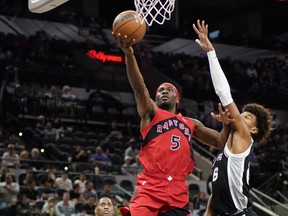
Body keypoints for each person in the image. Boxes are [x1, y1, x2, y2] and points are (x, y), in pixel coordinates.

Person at [113, 31, 233, 215]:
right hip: (150, 185)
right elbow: (139, 88)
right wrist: (129, 53)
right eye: (160, 91)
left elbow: (220, 142)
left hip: (177, 189)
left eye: (168, 89)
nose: (163, 92)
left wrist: (226, 124)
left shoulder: (191, 123)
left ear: (177, 99)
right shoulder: (151, 113)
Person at [193, 19, 273, 216]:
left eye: (246, 117)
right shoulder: (225, 149)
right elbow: (216, 193)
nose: (239, 118)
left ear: (253, 129)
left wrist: (211, 52)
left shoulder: (246, 137)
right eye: (241, 115)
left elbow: (223, 93)